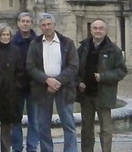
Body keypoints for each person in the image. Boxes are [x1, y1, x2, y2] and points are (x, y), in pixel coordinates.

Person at [26, 13, 78, 152]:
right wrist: (47, 80)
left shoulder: (67, 42)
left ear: (54, 25)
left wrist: (57, 81)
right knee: (43, 125)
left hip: (64, 87)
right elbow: (30, 66)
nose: (47, 27)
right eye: (43, 25)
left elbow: (73, 66)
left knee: (68, 124)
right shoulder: (34, 44)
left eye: (49, 24)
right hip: (42, 88)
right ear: (40, 27)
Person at [76, 19, 127, 152]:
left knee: (105, 129)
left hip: (104, 94)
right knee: (87, 129)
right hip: (86, 94)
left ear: (105, 30)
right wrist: (78, 82)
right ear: (91, 30)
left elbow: (121, 71)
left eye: (101, 28)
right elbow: (74, 67)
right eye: (95, 28)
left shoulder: (114, 49)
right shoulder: (84, 47)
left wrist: (103, 77)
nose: (98, 31)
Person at [0, 24, 24, 152]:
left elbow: (20, 71)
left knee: (6, 125)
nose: (5, 37)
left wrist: (16, 87)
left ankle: (5, 149)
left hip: (10, 93)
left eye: (7, 35)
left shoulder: (15, 50)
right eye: (3, 35)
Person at [10, 12, 39, 152]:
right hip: (17, 86)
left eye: (28, 21)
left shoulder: (39, 41)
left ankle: (32, 147)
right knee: (16, 119)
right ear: (18, 23)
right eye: (23, 21)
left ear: (31, 23)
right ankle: (16, 147)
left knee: (35, 120)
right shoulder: (12, 41)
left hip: (34, 86)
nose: (25, 23)